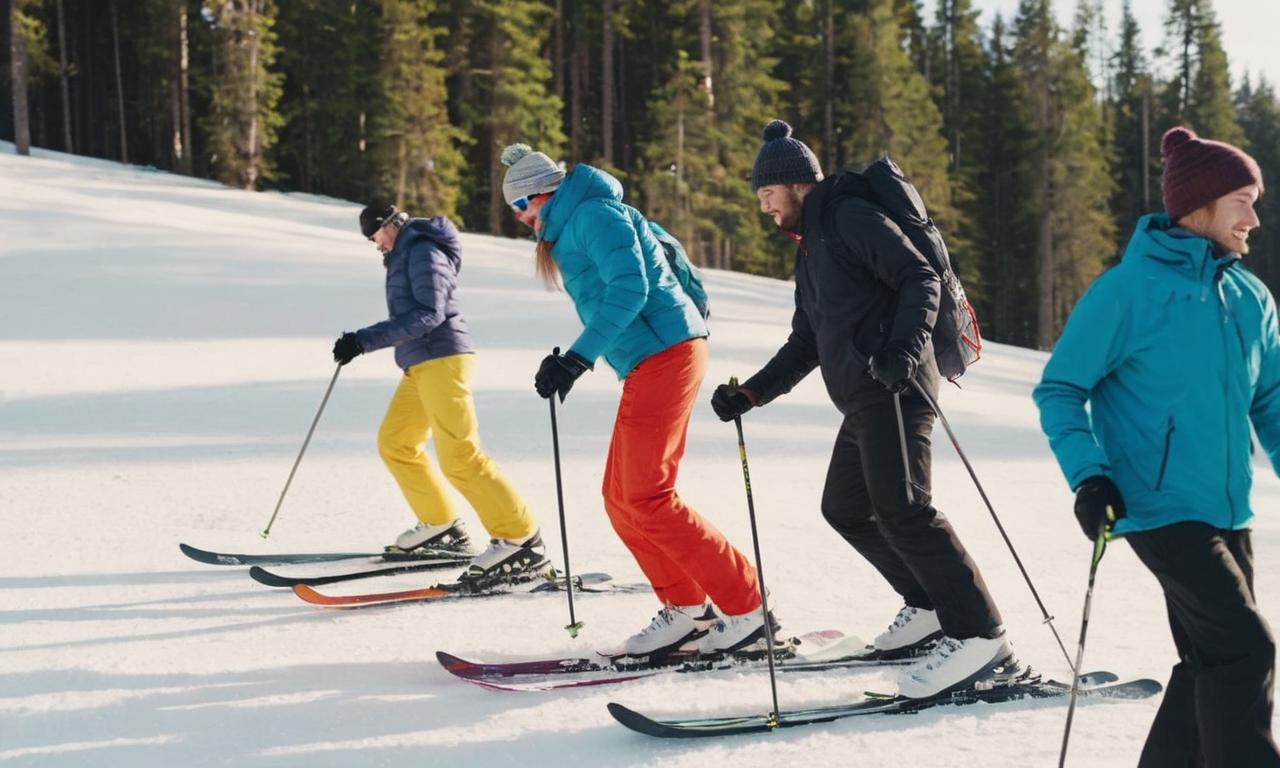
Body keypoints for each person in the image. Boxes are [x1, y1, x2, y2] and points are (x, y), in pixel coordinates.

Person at [711, 120, 1009, 699]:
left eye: (768, 195)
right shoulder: (813, 248)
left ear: (796, 184)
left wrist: (902, 350)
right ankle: (927, 607)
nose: (765, 209)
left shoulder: (847, 216)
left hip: (896, 386)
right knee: (846, 507)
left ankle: (980, 638)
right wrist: (751, 392)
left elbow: (919, 277)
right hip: (864, 396)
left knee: (905, 510)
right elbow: (807, 340)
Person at [1034, 127, 1277, 767]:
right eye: (1243, 200)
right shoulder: (1127, 291)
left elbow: (1271, 401)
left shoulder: (1250, 298)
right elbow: (1060, 389)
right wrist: (1089, 477)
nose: (1255, 216)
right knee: (1245, 653)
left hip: (1229, 510)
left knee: (1208, 661)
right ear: (1199, 205)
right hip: (1155, 506)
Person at [499, 142, 772, 658]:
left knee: (646, 495)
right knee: (622, 497)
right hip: (653, 359)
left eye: (519, 207)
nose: (519, 219)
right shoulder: (577, 222)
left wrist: (577, 359)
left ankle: (749, 609)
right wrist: (573, 359)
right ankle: (687, 610)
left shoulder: (591, 214)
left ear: (541, 194)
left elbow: (632, 289)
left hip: (668, 352)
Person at [333, 200, 548, 584]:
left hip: (443, 359)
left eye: (375, 237)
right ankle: (440, 527)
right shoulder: (404, 252)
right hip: (420, 364)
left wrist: (363, 341)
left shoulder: (421, 248)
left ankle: (521, 539)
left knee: (461, 457)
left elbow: (429, 313)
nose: (377, 246)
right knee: (396, 442)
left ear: (391, 225)